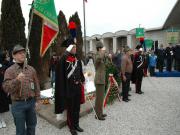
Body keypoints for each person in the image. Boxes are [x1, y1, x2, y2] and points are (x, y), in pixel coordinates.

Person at [3, 45, 40, 135]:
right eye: (20, 53)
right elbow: (6, 88)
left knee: (32, 126)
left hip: (31, 103)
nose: (23, 55)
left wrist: (38, 100)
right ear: (14, 56)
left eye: (24, 53)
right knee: (20, 131)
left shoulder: (31, 69)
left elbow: (36, 85)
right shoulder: (9, 71)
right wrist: (17, 80)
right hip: (18, 104)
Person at [55, 40, 85, 135]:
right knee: (71, 109)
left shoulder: (76, 59)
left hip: (77, 88)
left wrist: (83, 79)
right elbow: (60, 75)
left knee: (77, 108)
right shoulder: (63, 59)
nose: (75, 49)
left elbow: (79, 71)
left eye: (76, 47)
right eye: (74, 47)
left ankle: (76, 124)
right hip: (69, 89)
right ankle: (71, 127)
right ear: (69, 48)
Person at [94, 41, 107, 121]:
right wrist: (103, 52)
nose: (103, 49)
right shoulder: (97, 55)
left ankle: (100, 112)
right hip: (99, 80)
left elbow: (103, 58)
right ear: (99, 48)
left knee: (101, 98)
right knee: (99, 98)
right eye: (102, 48)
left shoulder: (100, 55)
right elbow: (99, 58)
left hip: (101, 79)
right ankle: (98, 115)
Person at [0, 51, 12, 128]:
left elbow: (6, 78)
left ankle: (2, 120)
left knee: (3, 106)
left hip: (2, 89)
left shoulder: (3, 67)